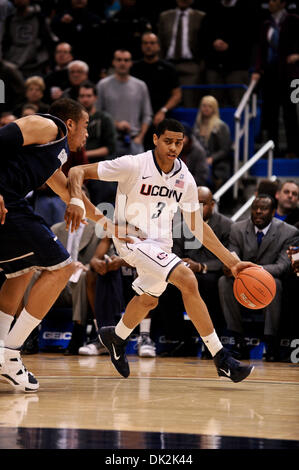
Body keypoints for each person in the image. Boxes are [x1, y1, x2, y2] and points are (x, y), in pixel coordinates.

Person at [67, 118, 256, 383]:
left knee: (148, 300)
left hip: (161, 245)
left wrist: (232, 262)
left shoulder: (185, 178)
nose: (173, 147)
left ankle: (116, 337)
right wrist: (79, 202)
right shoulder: (132, 164)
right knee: (188, 280)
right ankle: (221, 358)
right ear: (155, 139)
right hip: (132, 240)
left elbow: (197, 226)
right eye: (168, 141)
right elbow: (76, 171)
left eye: (178, 143)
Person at [0, 98, 132, 392]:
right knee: (62, 268)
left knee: (20, 271)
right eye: (85, 127)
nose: (87, 135)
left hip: (9, 206)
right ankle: (10, 354)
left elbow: (69, 194)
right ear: (69, 123)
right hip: (6, 200)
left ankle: (1, 352)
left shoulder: (51, 155)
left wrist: (111, 227)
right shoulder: (45, 125)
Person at [218, 194, 299, 361]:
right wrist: (228, 266)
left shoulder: (289, 232)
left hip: (269, 278)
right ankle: (238, 340)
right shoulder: (237, 228)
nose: (258, 212)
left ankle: (270, 342)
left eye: (263, 209)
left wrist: (253, 272)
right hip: (242, 278)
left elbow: (283, 266)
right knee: (224, 282)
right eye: (255, 208)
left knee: (275, 284)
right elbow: (232, 258)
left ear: (273, 212)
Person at [251, 0, 299, 157]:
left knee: (291, 112)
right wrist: (258, 70)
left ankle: (293, 149)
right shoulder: (266, 24)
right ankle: (273, 149)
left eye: (273, 0)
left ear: (283, 3)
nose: (270, 3)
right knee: (270, 114)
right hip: (270, 76)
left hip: (292, 76)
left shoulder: (294, 20)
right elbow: (261, 51)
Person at [158, 0, 206, 107]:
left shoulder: (200, 17)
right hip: (168, 65)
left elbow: (204, 42)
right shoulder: (165, 16)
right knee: (165, 102)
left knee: (190, 102)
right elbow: (160, 42)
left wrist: (200, 66)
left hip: (191, 66)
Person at [131, 32, 182, 131]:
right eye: (145, 43)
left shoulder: (169, 69)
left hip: (162, 117)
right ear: (141, 46)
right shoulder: (133, 68)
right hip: (138, 118)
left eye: (152, 43)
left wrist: (163, 110)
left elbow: (177, 95)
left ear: (158, 46)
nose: (148, 46)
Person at [77, 81, 117, 205]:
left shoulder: (104, 118)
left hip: (99, 167)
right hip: (78, 166)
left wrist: (85, 154)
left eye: (88, 96)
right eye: (82, 96)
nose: (85, 99)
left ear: (95, 97)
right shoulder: (75, 119)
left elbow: (110, 148)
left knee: (103, 202)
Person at [193, 95, 232, 190]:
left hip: (216, 165)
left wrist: (211, 159)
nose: (206, 108)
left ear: (214, 109)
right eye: (204, 105)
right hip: (200, 162)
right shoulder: (197, 125)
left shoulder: (220, 126)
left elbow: (225, 149)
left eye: (209, 106)